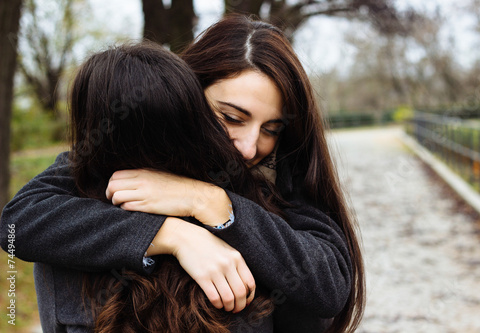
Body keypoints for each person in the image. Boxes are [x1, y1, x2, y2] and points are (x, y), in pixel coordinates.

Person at [1, 15, 365, 332]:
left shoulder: (277, 186)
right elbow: (17, 222)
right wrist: (171, 234)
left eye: (271, 129)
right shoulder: (111, 156)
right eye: (232, 118)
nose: (249, 148)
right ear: (186, 94)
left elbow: (329, 282)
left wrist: (211, 202)